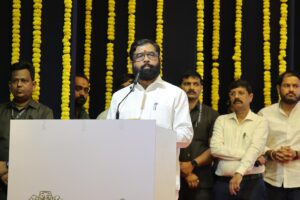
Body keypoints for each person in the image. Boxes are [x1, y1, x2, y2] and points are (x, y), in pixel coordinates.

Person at [107, 38, 193, 198]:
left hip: (161, 179)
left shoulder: (175, 94)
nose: (146, 59)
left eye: (151, 54)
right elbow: (109, 136)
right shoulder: (120, 97)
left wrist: (152, 134)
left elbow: (186, 135)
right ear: (132, 62)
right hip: (125, 178)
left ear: (159, 59)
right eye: (140, 55)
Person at [0, 61, 53, 199]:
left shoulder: (44, 113)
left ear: (33, 85)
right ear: (9, 85)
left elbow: (45, 150)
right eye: (15, 81)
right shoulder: (0, 111)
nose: (19, 85)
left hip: (30, 181)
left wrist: (9, 166)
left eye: (24, 80)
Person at [210, 79, 268, 200]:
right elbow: (215, 149)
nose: (236, 96)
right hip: (222, 184)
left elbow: (255, 148)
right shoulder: (221, 120)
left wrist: (239, 173)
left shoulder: (260, 121)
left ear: (250, 97)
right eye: (232, 93)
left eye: (241, 93)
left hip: (252, 184)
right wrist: (251, 156)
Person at [258, 71, 300, 200]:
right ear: (278, 88)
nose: (291, 89)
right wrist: (272, 153)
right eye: (287, 86)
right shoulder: (265, 114)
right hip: (271, 180)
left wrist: (297, 154)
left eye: (296, 86)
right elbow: (256, 144)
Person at [179, 70, 219, 200]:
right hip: (172, 177)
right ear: (180, 87)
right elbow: (162, 144)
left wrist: (192, 165)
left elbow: (214, 148)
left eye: (196, 84)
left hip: (202, 180)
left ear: (201, 87)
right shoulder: (171, 112)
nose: (191, 88)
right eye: (187, 84)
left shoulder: (211, 114)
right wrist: (183, 170)